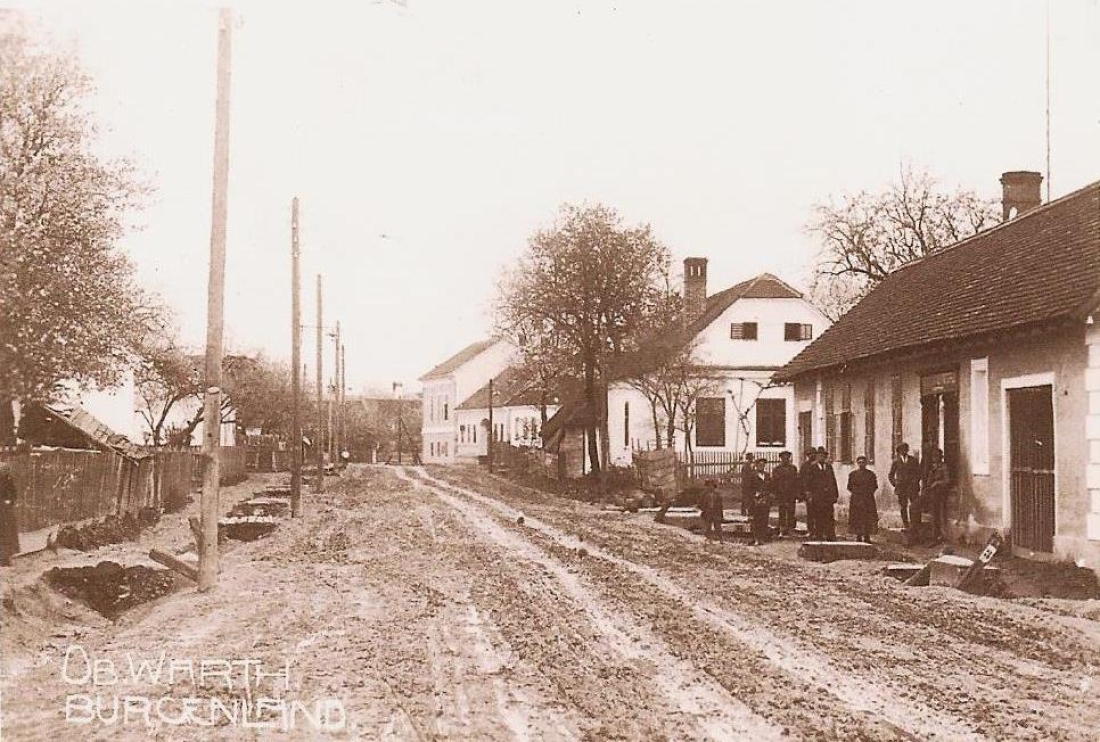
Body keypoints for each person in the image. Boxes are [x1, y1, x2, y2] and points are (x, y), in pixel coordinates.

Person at [888, 442, 921, 542]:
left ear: (907, 450)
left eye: (905, 449)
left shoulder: (913, 460)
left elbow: (918, 473)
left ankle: (914, 525)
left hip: (912, 487)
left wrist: (915, 482)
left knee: (915, 505)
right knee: (903, 506)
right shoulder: (896, 462)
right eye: (901, 450)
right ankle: (906, 524)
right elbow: (891, 475)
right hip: (901, 488)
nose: (904, 451)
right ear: (899, 451)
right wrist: (895, 483)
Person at [805, 447, 838, 541]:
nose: (821, 458)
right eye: (819, 456)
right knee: (818, 516)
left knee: (829, 515)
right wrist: (809, 495)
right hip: (817, 496)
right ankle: (819, 534)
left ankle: (830, 535)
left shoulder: (829, 467)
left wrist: (835, 494)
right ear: (817, 457)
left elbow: (833, 481)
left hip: (828, 497)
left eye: (823, 456)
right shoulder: (812, 467)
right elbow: (808, 483)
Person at [847, 455, 878, 543]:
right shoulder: (853, 474)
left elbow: (874, 486)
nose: (861, 464)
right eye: (859, 462)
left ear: (866, 463)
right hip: (856, 500)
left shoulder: (871, 474)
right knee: (857, 517)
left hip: (868, 499)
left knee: (868, 518)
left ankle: (867, 536)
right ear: (857, 463)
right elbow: (849, 487)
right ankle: (858, 536)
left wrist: (867, 493)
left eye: (863, 462)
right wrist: (857, 493)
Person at [922, 447, 951, 544]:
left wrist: (937, 483)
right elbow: (928, 481)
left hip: (940, 494)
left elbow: (947, 481)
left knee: (938, 516)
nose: (934, 458)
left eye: (936, 457)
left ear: (940, 457)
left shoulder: (944, 467)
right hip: (932, 494)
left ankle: (938, 536)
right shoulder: (932, 467)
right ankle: (933, 535)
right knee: (933, 515)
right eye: (933, 457)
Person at [771, 451, 800, 536]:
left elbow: (796, 481)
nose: (785, 459)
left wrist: (797, 493)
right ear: (781, 459)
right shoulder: (777, 469)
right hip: (781, 494)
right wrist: (776, 493)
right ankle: (781, 529)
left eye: (787, 458)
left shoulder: (793, 468)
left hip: (791, 494)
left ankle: (790, 529)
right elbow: (774, 482)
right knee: (782, 511)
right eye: (784, 458)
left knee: (791, 512)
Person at [746, 458, 772, 546]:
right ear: (756, 466)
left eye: (763, 465)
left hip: (765, 500)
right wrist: (754, 496)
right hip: (755, 501)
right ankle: (756, 538)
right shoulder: (752, 475)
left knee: (764, 519)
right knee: (755, 520)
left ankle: (762, 538)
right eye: (760, 465)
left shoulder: (767, 475)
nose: (762, 466)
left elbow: (770, 487)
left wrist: (768, 495)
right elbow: (748, 489)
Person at [0, 462, 20, 566]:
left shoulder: (8, 479)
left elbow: (13, 494)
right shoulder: (7, 479)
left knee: (7, 534)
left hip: (5, 512)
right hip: (4, 511)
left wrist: (9, 501)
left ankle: (5, 558)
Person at [799, 449, 818, 538]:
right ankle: (810, 530)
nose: (812, 456)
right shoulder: (804, 466)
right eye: (810, 454)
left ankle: (818, 530)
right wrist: (802, 493)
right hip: (809, 492)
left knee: (818, 512)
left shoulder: (818, 465)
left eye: (813, 454)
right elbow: (801, 479)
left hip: (818, 492)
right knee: (810, 512)